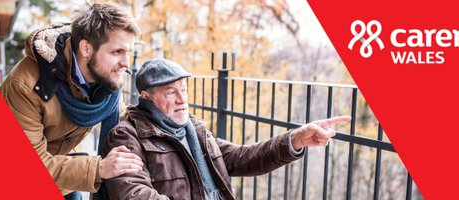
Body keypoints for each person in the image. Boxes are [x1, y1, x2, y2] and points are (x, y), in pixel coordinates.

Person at [102, 59, 351, 199]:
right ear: (146, 97)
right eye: (170, 92)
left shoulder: (194, 131)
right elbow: (132, 193)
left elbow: (242, 157)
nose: (182, 99)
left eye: (184, 89)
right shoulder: (127, 135)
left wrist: (295, 139)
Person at [0, 2, 144, 199]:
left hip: (63, 166)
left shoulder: (106, 82)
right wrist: (99, 168)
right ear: (86, 49)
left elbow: (122, 122)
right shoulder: (26, 86)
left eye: (129, 52)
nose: (126, 63)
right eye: (116, 52)